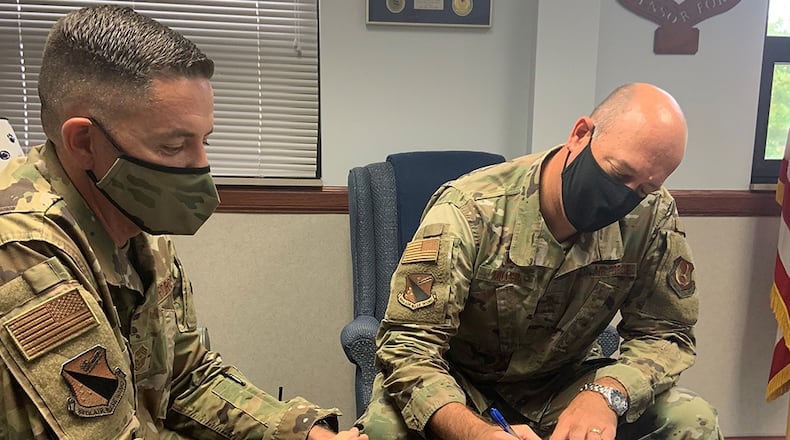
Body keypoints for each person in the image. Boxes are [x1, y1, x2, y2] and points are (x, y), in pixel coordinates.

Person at [0, 5, 366, 440]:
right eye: (174, 147)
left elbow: (186, 378)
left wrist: (304, 434)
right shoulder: (22, 250)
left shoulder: (135, 222)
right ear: (83, 142)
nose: (201, 168)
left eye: (204, 142)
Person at [356, 82, 722, 440]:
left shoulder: (651, 214)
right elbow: (409, 344)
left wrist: (609, 393)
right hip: (458, 381)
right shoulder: (470, 210)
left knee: (692, 419)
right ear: (580, 135)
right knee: (383, 429)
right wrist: (475, 433)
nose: (625, 197)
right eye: (618, 174)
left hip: (564, 383)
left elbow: (664, 331)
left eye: (645, 188)